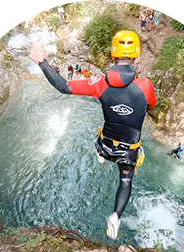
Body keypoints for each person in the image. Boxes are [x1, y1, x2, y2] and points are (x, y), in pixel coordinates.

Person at [29, 30, 157, 240]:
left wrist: (43, 61)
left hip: (106, 144)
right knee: (126, 179)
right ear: (138, 57)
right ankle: (116, 215)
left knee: (101, 137)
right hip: (128, 151)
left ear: (112, 55)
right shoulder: (146, 86)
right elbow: (151, 105)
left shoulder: (100, 83)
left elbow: (64, 86)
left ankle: (101, 154)